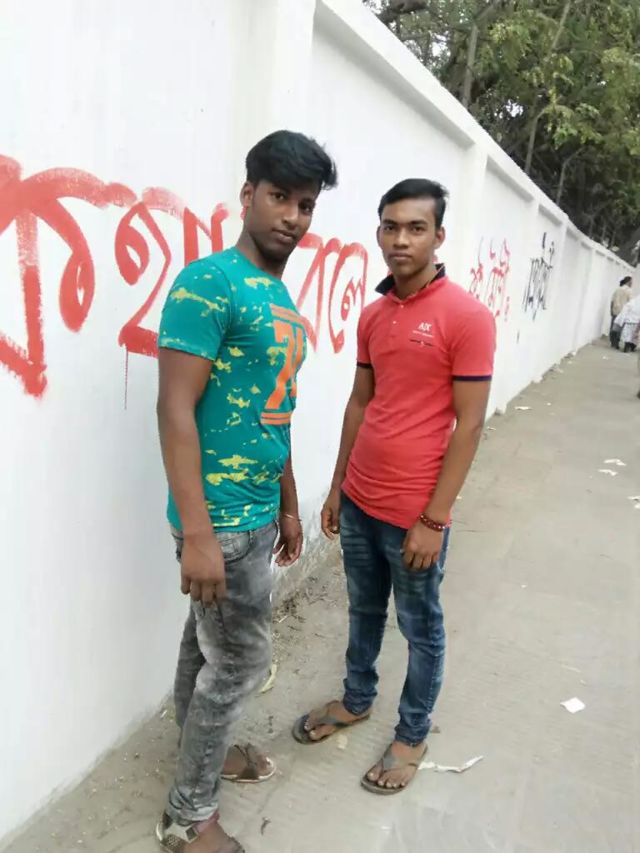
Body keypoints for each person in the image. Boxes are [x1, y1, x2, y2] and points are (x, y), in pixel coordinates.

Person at [155, 130, 337, 853]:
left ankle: (197, 752)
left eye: (306, 204)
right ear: (247, 195)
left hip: (258, 512)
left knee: (206, 647)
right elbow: (174, 409)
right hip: (220, 520)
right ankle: (188, 815)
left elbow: (276, 407)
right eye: (279, 197)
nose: (292, 216)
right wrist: (198, 534)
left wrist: (289, 503)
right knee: (240, 662)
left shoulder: (280, 297)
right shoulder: (209, 283)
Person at [293, 178, 496, 795]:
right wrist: (337, 488)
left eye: (415, 228)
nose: (400, 239)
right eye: (390, 227)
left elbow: (470, 425)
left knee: (419, 628)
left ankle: (412, 732)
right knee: (362, 610)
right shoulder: (374, 315)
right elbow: (360, 402)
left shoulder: (467, 317)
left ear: (439, 236)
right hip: (360, 501)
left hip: (414, 515)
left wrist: (434, 519)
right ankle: (357, 699)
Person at [610, 276, 633, 349]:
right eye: (631, 282)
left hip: (615, 310)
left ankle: (612, 342)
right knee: (620, 328)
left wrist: (611, 310)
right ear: (628, 282)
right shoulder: (629, 291)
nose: (632, 283)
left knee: (613, 326)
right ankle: (616, 342)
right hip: (623, 312)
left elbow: (612, 301)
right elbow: (630, 303)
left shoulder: (617, 289)